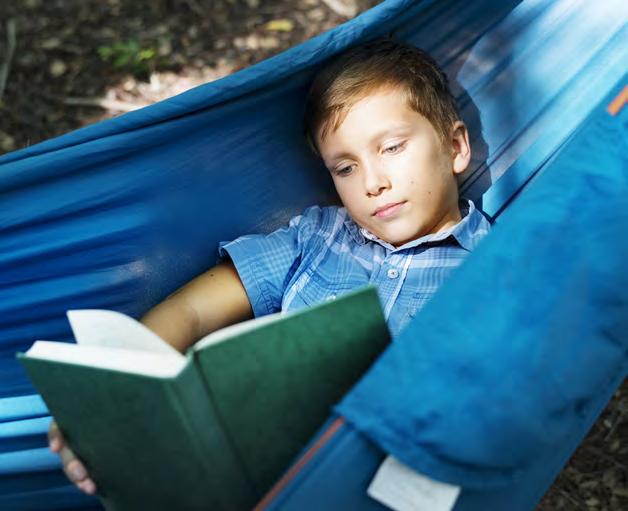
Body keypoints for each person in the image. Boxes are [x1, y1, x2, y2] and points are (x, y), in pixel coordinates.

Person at [48, 38, 491, 496]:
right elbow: (193, 312)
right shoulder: (317, 238)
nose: (373, 183)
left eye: (392, 148)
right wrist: (108, 399)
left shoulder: (497, 263)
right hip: (258, 469)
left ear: (455, 146)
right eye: (345, 168)